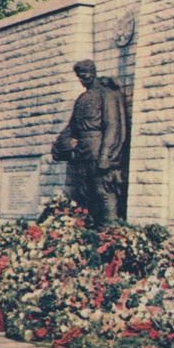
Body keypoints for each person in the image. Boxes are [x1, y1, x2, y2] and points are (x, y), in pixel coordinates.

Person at [51, 60, 127, 228]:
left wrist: (105, 156)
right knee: (85, 193)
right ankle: (92, 229)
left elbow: (112, 126)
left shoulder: (106, 95)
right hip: (82, 152)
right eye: (79, 77)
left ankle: (110, 229)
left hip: (97, 149)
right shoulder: (82, 98)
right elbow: (72, 127)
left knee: (103, 190)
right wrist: (60, 144)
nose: (82, 80)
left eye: (84, 76)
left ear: (93, 73)